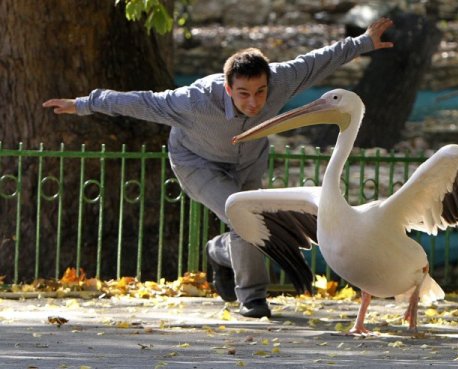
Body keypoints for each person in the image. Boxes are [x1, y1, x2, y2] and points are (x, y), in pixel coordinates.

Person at [43, 17, 394, 318]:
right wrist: (83, 104)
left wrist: (363, 42)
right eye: (243, 94)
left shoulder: (282, 79)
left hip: (249, 161)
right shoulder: (192, 102)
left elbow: (318, 60)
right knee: (246, 218)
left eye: (260, 91)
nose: (254, 102)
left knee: (246, 221)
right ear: (227, 88)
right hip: (197, 163)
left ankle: (219, 250)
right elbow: (140, 102)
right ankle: (254, 299)